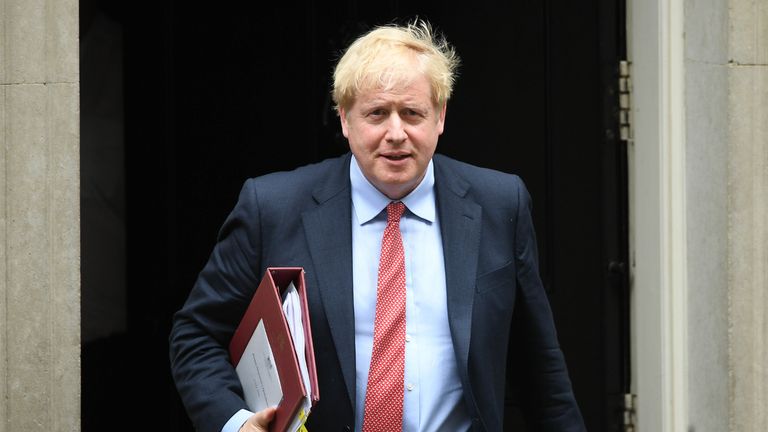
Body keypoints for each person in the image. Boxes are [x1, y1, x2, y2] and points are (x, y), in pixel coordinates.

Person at [169, 19, 586, 432]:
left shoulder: (498, 204)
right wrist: (237, 423)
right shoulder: (273, 208)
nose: (396, 133)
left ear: (440, 116)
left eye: (412, 113)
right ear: (345, 118)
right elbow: (197, 335)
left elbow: (541, 372)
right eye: (377, 113)